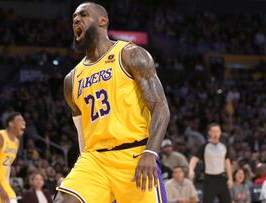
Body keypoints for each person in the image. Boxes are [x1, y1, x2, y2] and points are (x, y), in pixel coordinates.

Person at [57, 2, 170, 203]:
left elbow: (160, 106)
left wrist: (151, 152)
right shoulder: (71, 80)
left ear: (103, 21)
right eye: (74, 17)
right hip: (95, 160)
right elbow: (81, 132)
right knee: (64, 200)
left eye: (83, 14)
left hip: (134, 155)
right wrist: (84, 164)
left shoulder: (130, 54)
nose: (76, 19)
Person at [189, 123, 233, 203]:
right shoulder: (205, 146)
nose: (216, 133)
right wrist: (191, 170)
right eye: (214, 131)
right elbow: (194, 159)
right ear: (209, 133)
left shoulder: (224, 146)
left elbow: (227, 163)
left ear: (220, 132)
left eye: (218, 131)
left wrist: (230, 178)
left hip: (222, 178)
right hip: (209, 179)